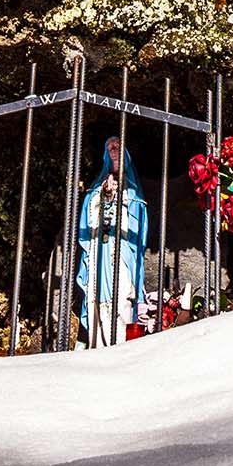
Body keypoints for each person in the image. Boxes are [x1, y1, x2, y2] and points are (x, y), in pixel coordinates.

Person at [76, 135, 147, 346]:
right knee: (96, 296)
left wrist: (120, 200)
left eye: (117, 146)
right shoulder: (96, 187)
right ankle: (97, 344)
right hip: (100, 250)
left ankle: (121, 344)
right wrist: (103, 197)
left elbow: (138, 222)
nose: (113, 149)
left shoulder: (134, 190)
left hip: (122, 250)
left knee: (124, 293)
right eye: (109, 147)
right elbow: (86, 216)